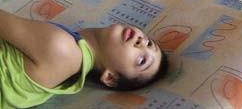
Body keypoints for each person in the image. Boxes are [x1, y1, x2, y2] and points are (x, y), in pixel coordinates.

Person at [0, 8, 168, 108]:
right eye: (150, 43)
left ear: (110, 77)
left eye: (141, 61)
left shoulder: (61, 49)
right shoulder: (69, 62)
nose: (142, 42)